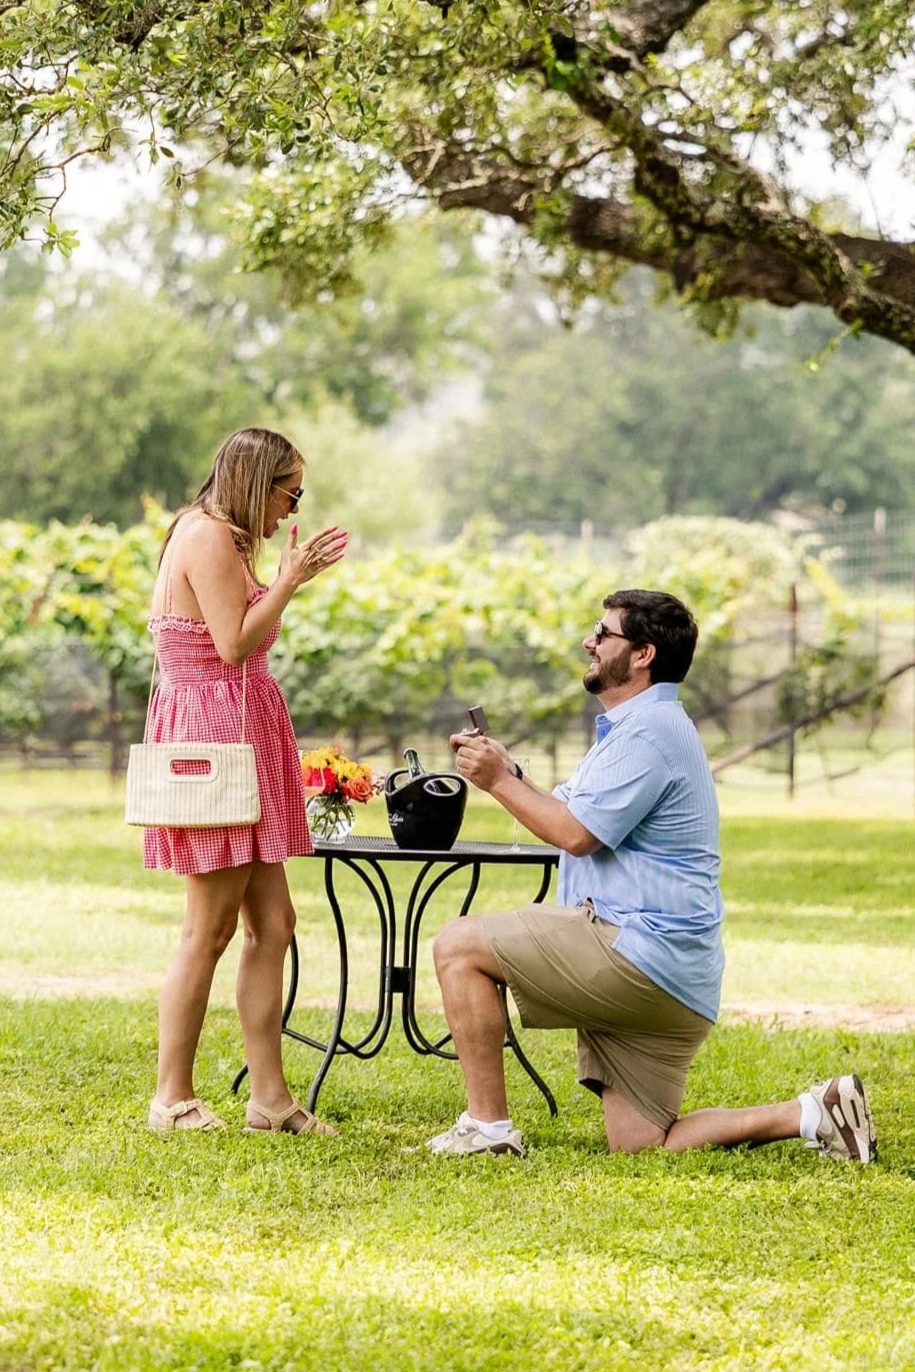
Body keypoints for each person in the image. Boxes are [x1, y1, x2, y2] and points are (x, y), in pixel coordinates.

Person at [428, 589, 876, 1163]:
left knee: (458, 945)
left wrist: (496, 781)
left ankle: (486, 1129)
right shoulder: (641, 728)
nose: (589, 642)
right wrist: (511, 771)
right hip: (677, 980)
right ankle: (815, 1111)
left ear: (642, 654)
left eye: (602, 633)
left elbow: (574, 834)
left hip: (640, 955)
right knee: (643, 1145)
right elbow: (570, 808)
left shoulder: (650, 733)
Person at [144, 427, 347, 1135]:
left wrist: (282, 579)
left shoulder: (223, 539)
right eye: (289, 493)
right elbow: (231, 645)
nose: (292, 511)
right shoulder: (204, 536)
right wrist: (290, 580)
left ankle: (270, 1100)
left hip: (242, 732)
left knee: (274, 924)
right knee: (210, 927)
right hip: (214, 741)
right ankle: (172, 1098)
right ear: (256, 483)